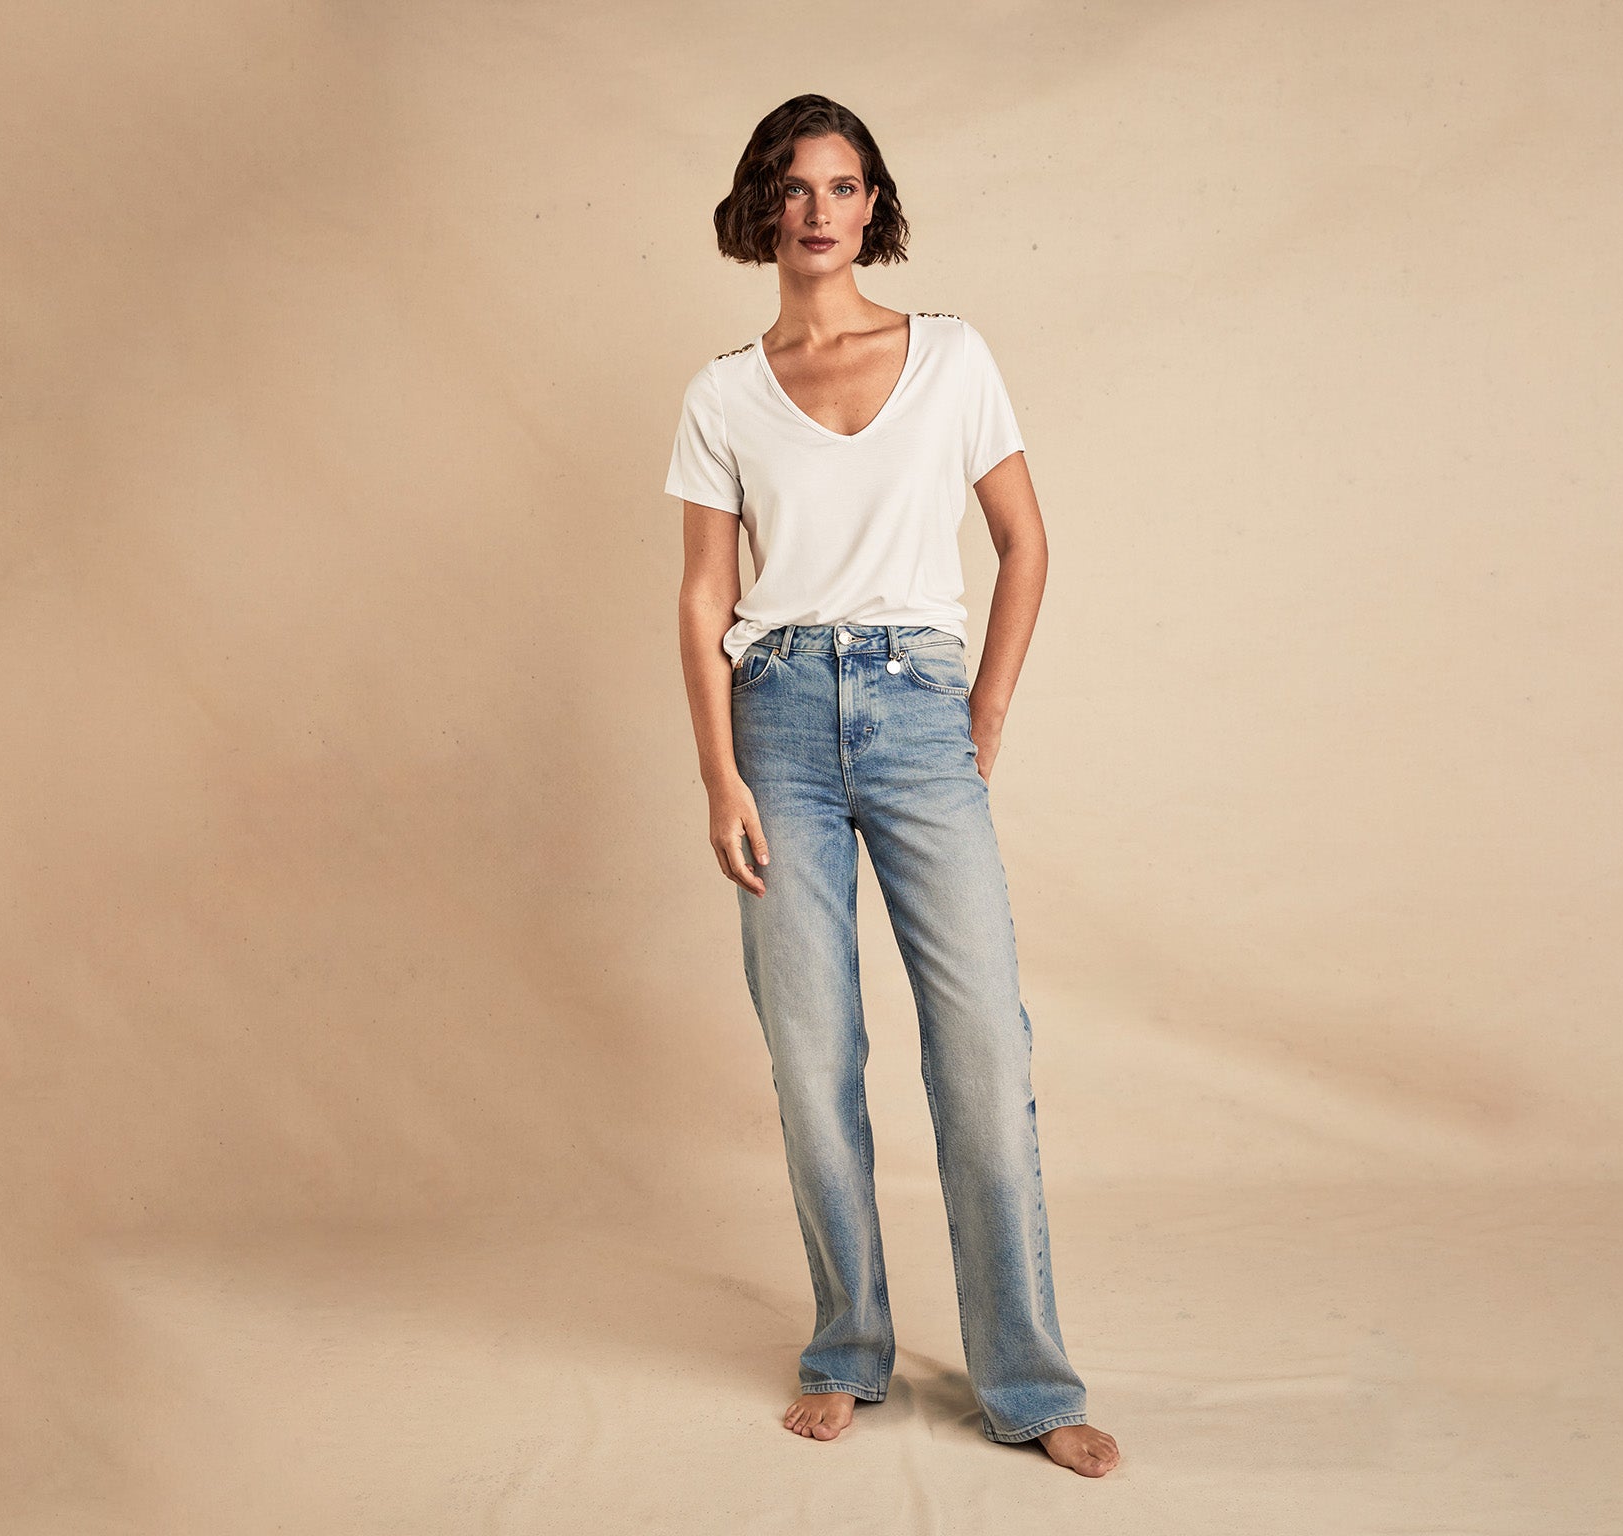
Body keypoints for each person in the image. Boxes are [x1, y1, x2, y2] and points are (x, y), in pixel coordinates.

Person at [663, 94, 1120, 1479]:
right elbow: (702, 598)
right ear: (763, 206)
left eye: (844, 185)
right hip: (777, 720)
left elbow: (1025, 542)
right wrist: (718, 775)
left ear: (873, 206)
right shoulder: (722, 393)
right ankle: (847, 1347)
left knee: (981, 1050)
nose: (820, 210)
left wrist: (982, 710)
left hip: (919, 709)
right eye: (796, 186)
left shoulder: (951, 357)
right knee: (812, 1058)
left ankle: (1027, 1383)